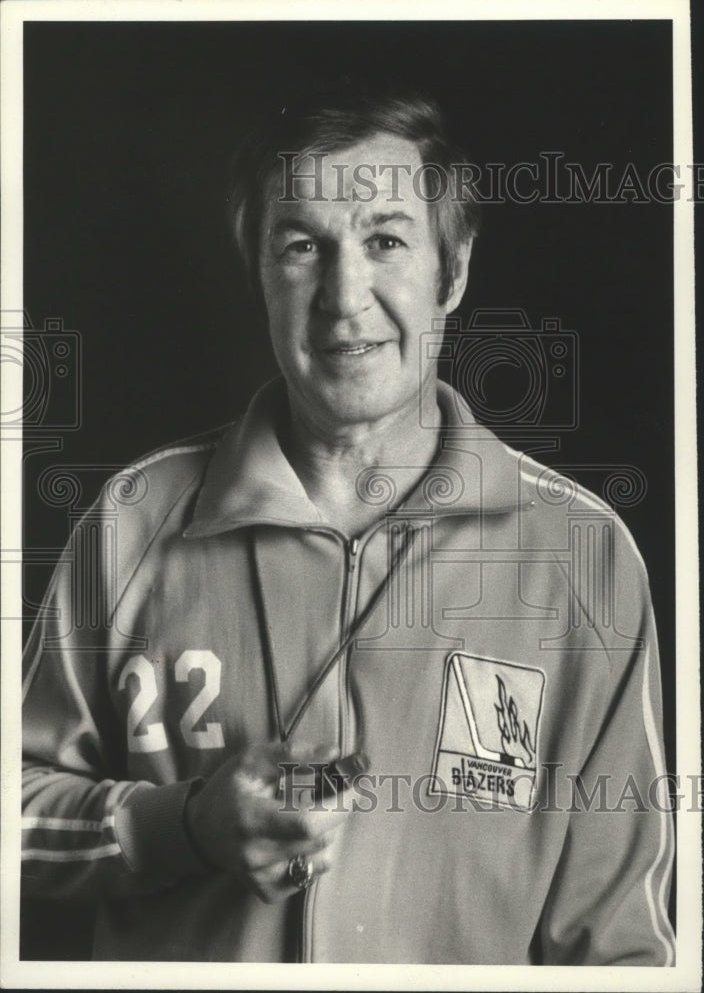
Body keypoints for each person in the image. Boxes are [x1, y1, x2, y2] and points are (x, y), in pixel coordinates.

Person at [22, 86, 675, 964]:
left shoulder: (584, 561)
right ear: (257, 269)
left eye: (385, 240)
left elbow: (624, 950)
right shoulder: (130, 525)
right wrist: (178, 827)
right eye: (301, 247)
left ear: (454, 269)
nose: (344, 296)